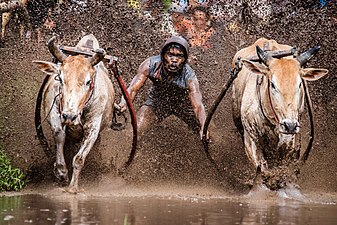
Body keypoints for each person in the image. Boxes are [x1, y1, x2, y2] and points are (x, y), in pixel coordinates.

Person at [118, 36, 208, 140]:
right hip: (157, 102)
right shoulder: (150, 65)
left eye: (179, 56)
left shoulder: (189, 77)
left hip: (184, 105)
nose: (174, 60)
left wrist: (203, 127)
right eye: (170, 55)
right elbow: (133, 88)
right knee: (134, 132)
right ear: (163, 55)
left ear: (184, 59)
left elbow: (198, 106)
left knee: (208, 133)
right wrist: (124, 103)